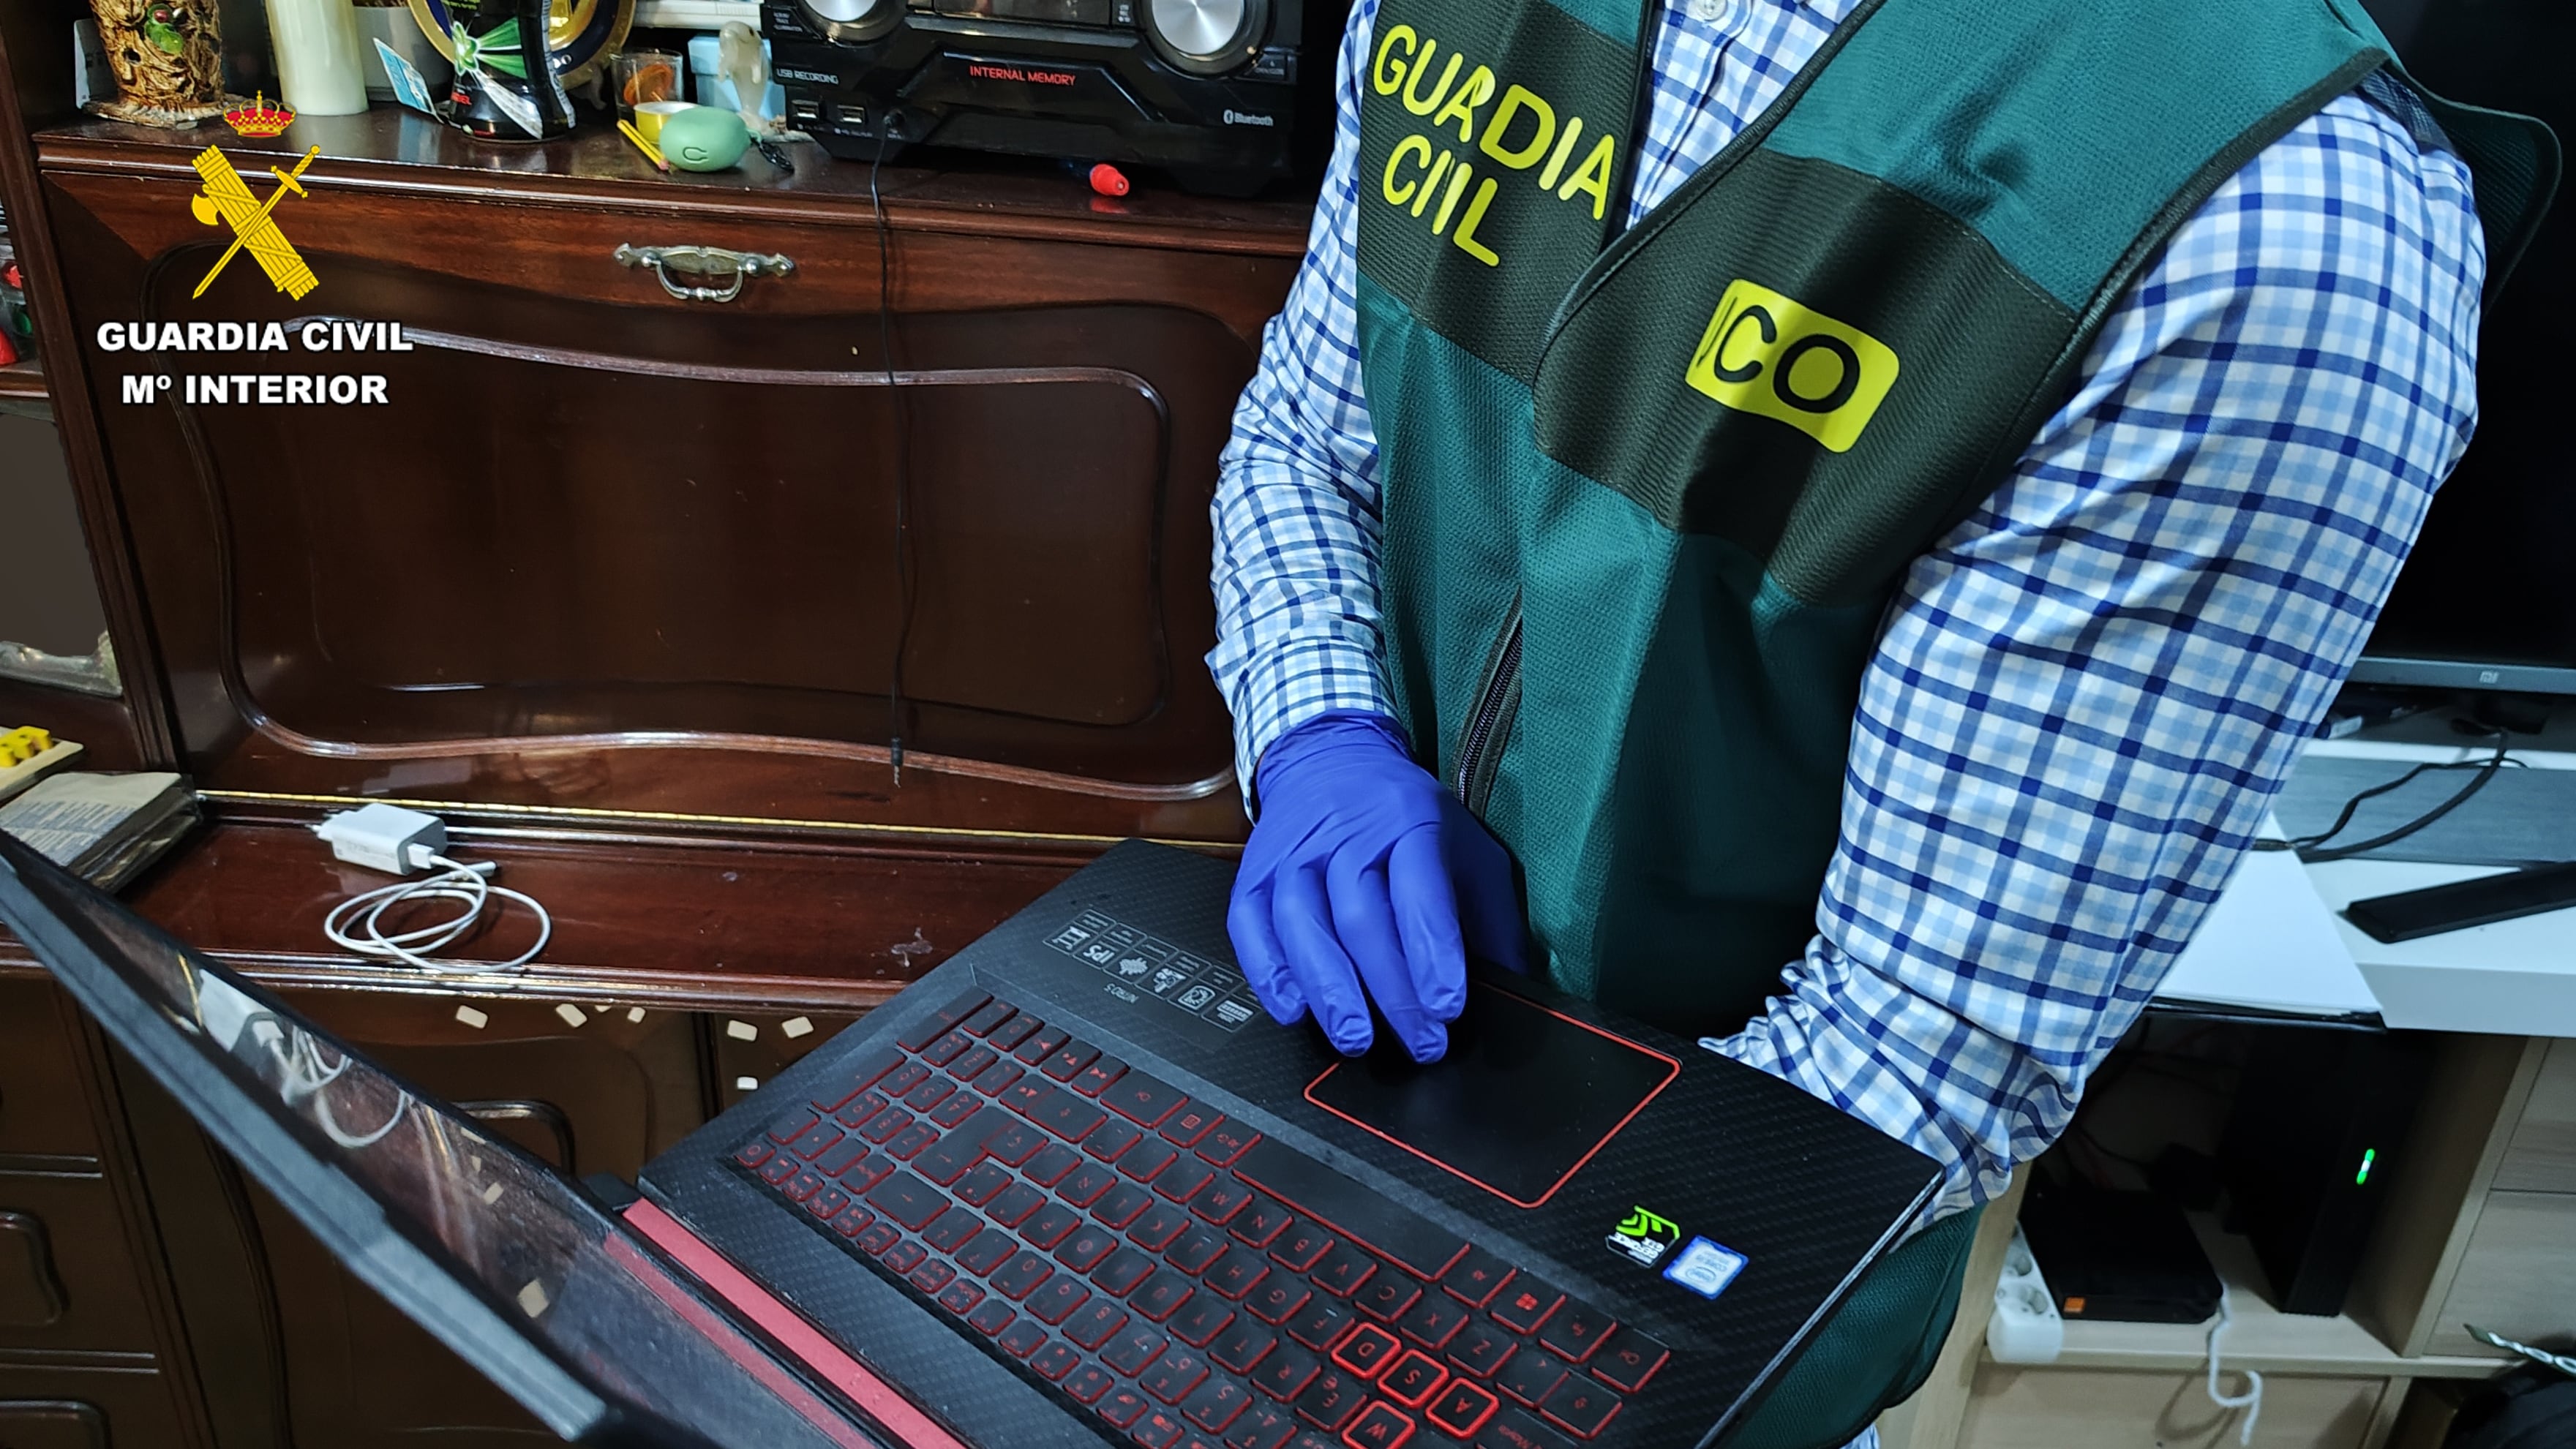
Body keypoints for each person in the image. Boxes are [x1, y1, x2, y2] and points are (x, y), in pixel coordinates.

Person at [1209, 0, 2553, 1443]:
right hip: (1348, 1112)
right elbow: (1306, 444)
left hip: (1672, 1286)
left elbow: (1904, 1066)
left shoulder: (2276, 228)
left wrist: (1459, 1296)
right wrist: (1321, 731)